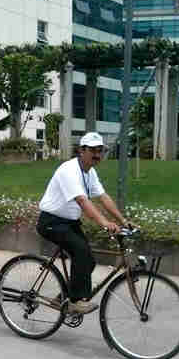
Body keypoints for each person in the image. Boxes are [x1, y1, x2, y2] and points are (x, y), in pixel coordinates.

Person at [36, 132, 128, 315]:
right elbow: (83, 201)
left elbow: (103, 197)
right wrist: (104, 222)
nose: (97, 155)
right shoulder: (69, 171)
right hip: (51, 222)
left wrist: (123, 220)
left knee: (89, 261)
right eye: (93, 150)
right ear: (81, 150)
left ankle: (62, 299)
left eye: (100, 151)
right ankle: (76, 301)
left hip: (69, 222)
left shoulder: (90, 172)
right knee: (81, 252)